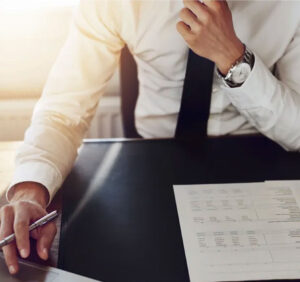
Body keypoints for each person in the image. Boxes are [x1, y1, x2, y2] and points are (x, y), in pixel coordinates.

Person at [1, 0, 300, 275]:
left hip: (261, 167)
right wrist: (30, 189)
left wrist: (233, 58)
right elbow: (64, 110)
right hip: (148, 171)